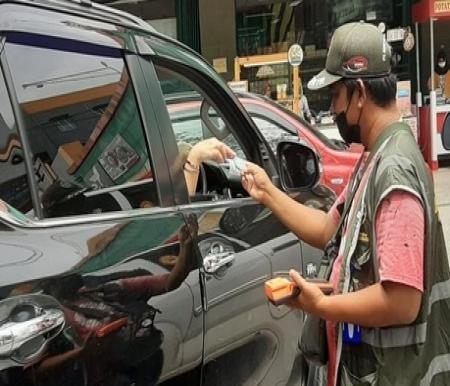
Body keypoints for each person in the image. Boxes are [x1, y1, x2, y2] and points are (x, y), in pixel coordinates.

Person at [241, 21, 450, 385]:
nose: (333, 108)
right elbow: (328, 229)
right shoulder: (374, 157)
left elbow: (402, 301)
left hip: (395, 375)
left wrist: (320, 305)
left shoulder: (394, 170)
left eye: (335, 96)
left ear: (360, 93)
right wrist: (266, 192)